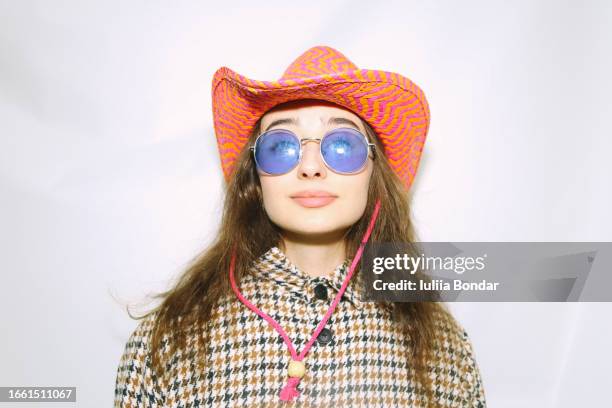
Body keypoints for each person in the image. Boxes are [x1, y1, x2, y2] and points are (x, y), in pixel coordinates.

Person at [114, 45, 486, 407]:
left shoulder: (441, 349)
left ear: (375, 176)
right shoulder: (168, 344)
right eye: (280, 146)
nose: (310, 167)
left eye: (342, 145)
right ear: (255, 180)